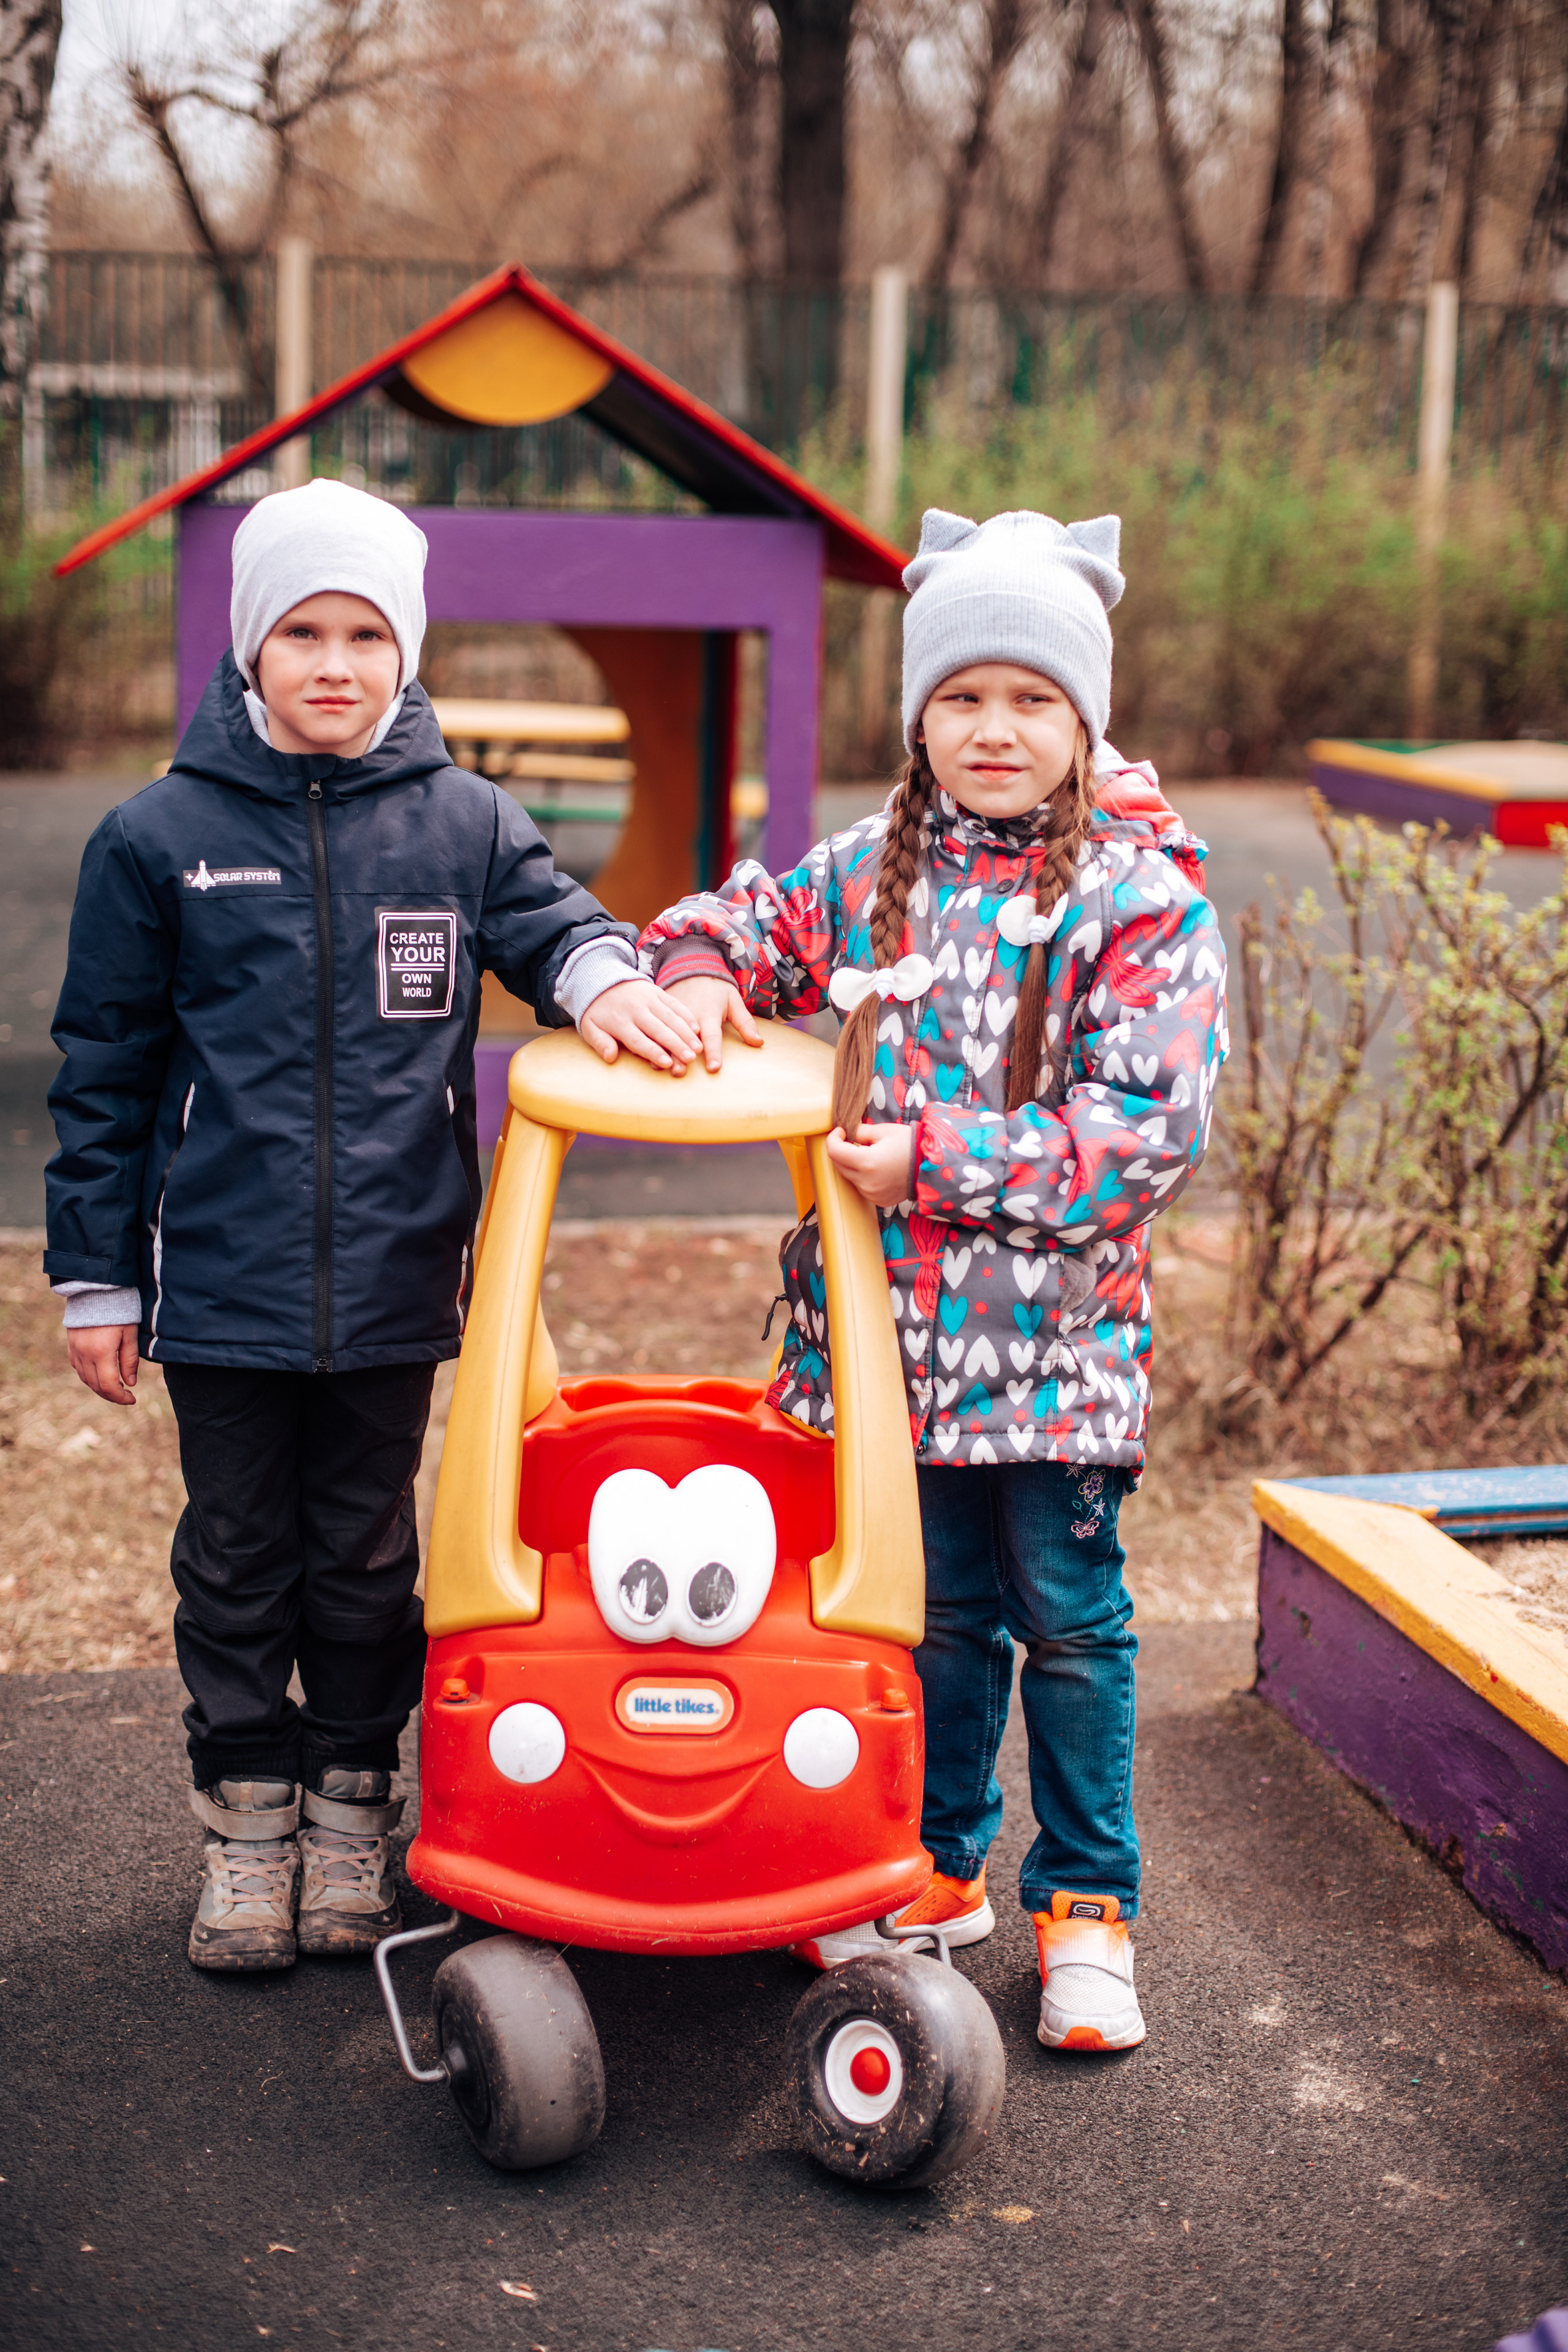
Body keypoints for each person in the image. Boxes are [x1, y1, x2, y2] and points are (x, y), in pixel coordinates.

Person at [44, 477, 699, 1973]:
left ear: (407, 652)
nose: (332, 664)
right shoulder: (160, 837)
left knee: (361, 1560)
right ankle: (247, 1832)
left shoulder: (462, 824)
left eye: (364, 635)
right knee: (233, 1559)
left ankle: (351, 1824)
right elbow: (107, 1073)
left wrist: (606, 981)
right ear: (248, 649)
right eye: (300, 632)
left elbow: (555, 924)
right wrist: (96, 1275)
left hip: (396, 1280)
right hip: (219, 1285)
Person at [641, 507, 1227, 2051]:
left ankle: (1087, 1908)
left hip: (1059, 1361)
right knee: (936, 1623)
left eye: (1031, 699)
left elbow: (1145, 1132)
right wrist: (698, 969)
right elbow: (734, 918)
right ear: (916, 715)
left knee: (1072, 1624)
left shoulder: (1144, 900)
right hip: (900, 1361)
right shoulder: (867, 874)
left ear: (1084, 720)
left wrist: (936, 1163)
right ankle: (935, 1870)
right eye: (961, 696)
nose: (992, 728)